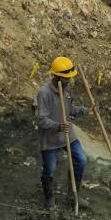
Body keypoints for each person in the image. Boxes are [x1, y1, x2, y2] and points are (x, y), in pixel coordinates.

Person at [37, 56, 92, 210]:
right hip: (50, 138)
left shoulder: (67, 89)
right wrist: (58, 126)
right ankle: (49, 197)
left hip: (68, 134)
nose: (69, 81)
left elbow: (70, 109)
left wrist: (86, 110)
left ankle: (73, 195)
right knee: (50, 169)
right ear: (57, 76)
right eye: (66, 78)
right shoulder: (44, 93)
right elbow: (41, 120)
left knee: (81, 160)